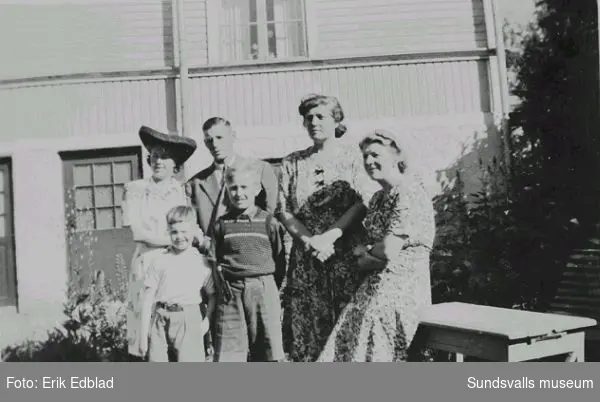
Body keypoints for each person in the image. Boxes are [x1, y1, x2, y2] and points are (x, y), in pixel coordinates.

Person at [317, 129, 435, 362]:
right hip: (376, 281)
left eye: (376, 155)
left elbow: (389, 249)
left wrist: (367, 252)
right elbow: (370, 253)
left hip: (403, 287)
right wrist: (369, 254)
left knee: (371, 329)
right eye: (366, 156)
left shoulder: (408, 192)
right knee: (350, 332)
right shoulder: (379, 198)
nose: (369, 161)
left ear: (396, 156)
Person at [276, 94, 377, 362]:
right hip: (308, 260)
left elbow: (360, 203)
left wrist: (329, 238)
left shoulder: (355, 157)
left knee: (347, 332)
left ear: (336, 120)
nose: (314, 122)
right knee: (309, 335)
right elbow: (284, 210)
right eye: (308, 118)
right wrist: (311, 241)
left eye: (320, 116)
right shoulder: (292, 163)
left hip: (345, 256)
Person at [123, 125, 197, 359]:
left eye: (165, 156)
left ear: (175, 163)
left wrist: (181, 244)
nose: (159, 161)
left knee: (175, 322)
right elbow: (138, 233)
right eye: (155, 155)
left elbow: (188, 224)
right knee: (146, 325)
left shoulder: (181, 191)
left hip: (176, 263)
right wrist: (178, 240)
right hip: (147, 260)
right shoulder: (134, 190)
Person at [210, 161, 287, 362]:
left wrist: (267, 288)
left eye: (244, 187)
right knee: (229, 352)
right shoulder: (222, 225)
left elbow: (279, 260)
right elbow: (216, 258)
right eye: (233, 188)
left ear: (256, 189)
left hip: (262, 288)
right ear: (227, 189)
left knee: (268, 349)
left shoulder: (268, 222)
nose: (238, 193)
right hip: (231, 292)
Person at [138, 205, 215, 362]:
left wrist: (206, 321)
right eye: (174, 232)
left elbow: (213, 295)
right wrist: (143, 336)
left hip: (189, 317)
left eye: (184, 232)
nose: (179, 237)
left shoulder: (201, 262)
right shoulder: (160, 260)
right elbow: (147, 299)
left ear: (194, 231)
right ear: (168, 231)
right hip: (160, 317)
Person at [186, 117, 279, 240]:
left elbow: (273, 213)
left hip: (253, 249)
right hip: (213, 253)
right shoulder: (195, 183)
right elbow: (190, 224)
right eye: (209, 140)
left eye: (219, 138)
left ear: (233, 136)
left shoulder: (260, 170)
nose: (214, 144)